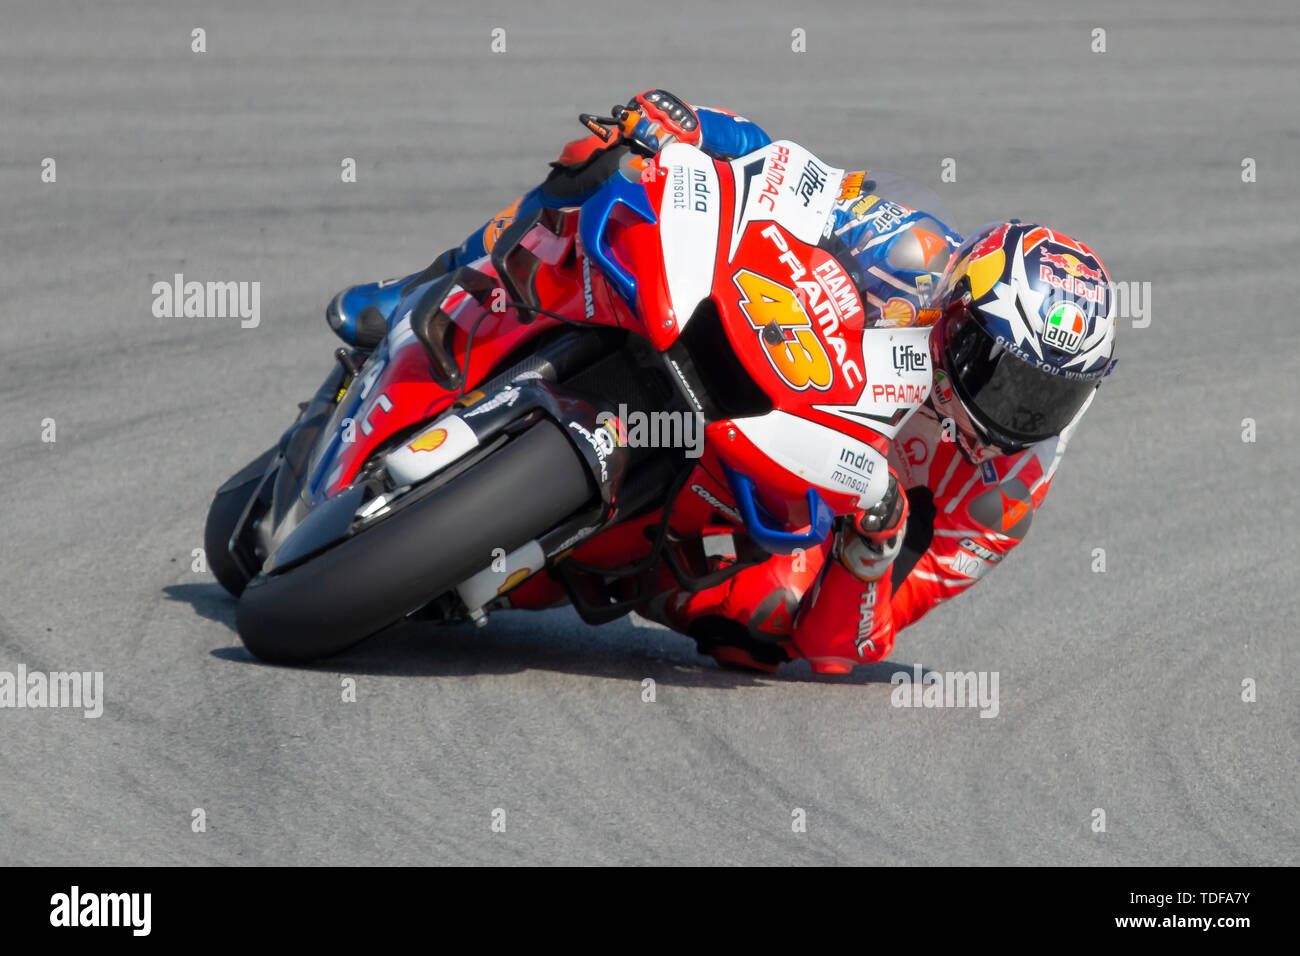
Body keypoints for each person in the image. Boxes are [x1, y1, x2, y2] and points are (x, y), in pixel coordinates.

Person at [331, 91, 1118, 674]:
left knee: (766, 628)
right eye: (1005, 374)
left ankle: (564, 552)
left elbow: (849, 642)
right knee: (603, 165)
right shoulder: (912, 250)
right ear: (961, 312)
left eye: (1049, 399)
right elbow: (790, 176)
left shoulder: (1004, 495)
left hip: (779, 510)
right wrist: (689, 128)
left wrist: (874, 545)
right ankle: (426, 288)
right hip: (760, 359)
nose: (1018, 415)